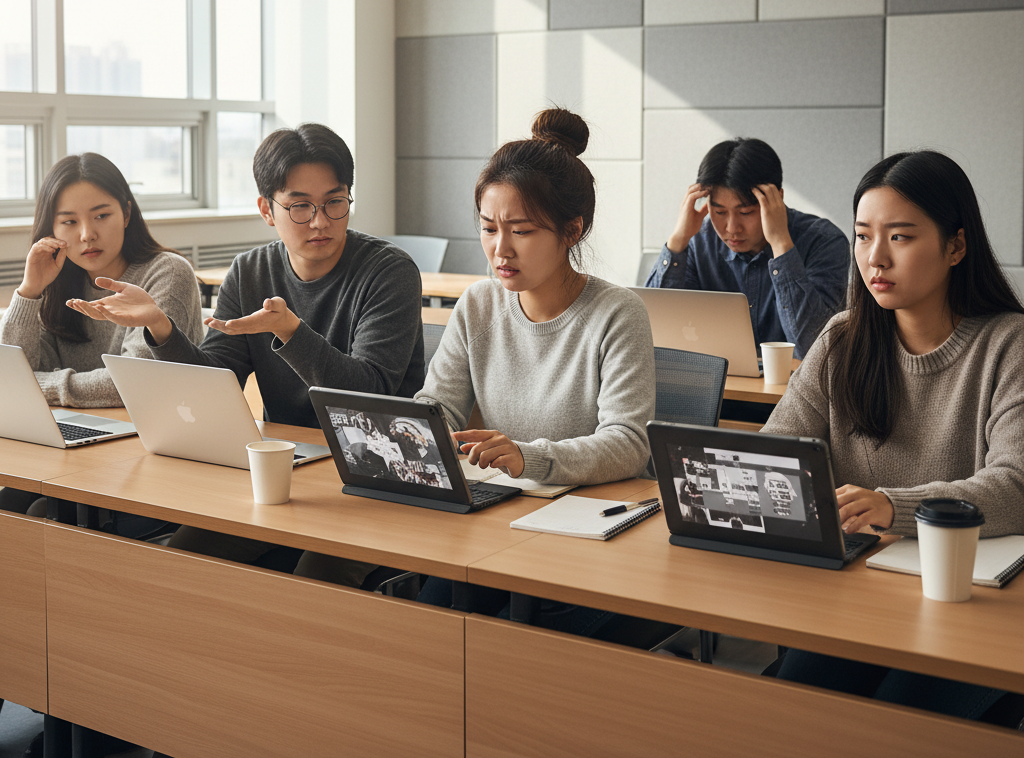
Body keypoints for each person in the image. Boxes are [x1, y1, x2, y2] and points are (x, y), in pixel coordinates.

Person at [69, 122, 425, 586]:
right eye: (300, 206)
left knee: (317, 578)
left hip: (377, 474)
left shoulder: (388, 271)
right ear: (266, 209)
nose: (320, 221)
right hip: (288, 470)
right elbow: (215, 384)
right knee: (185, 560)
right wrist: (160, 326)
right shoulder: (252, 270)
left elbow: (368, 393)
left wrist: (292, 332)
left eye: (335, 202)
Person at [762, 150, 1024, 720]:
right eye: (862, 237)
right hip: (855, 592)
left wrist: (890, 506)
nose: (874, 258)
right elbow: (777, 451)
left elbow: (1015, 485)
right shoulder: (843, 339)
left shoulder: (1009, 345)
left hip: (969, 606)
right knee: (798, 707)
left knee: (897, 719)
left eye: (900, 238)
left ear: (956, 246)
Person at [414, 108, 655, 630]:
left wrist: (530, 458)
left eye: (521, 230)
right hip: (495, 516)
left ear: (572, 230)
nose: (500, 249)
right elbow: (439, 406)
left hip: (586, 531)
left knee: (516, 634)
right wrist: (408, 429)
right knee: (428, 617)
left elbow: (630, 443)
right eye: (488, 228)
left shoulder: (617, 313)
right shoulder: (478, 305)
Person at [0, 152, 204, 516]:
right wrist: (29, 291)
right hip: (73, 453)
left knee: (39, 515)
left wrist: (41, 385)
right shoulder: (58, 279)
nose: (86, 234)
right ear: (51, 229)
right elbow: (9, 380)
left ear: (126, 213)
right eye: (68, 221)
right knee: (9, 505)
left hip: (149, 457)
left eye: (101, 215)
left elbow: (130, 384)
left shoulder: (167, 273)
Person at [646, 138, 849, 359]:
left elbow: (815, 350)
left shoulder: (824, 241)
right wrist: (678, 240)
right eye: (720, 212)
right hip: (716, 390)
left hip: (794, 392)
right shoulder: (698, 242)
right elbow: (650, 336)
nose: (732, 228)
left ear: (777, 198)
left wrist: (781, 244)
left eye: (745, 213)